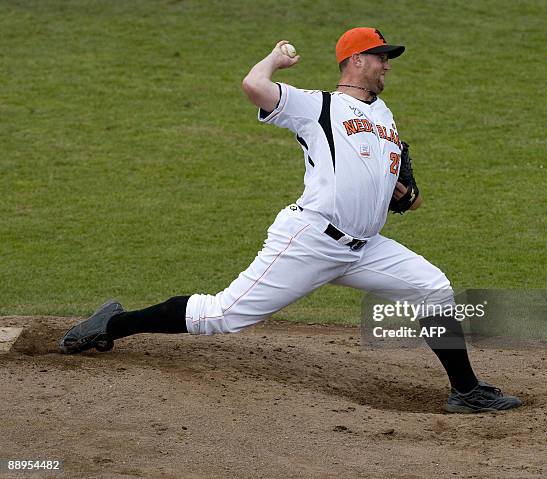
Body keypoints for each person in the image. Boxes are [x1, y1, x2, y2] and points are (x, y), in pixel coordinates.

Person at [59, 28, 522, 413]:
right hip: (310, 240)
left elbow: (408, 197)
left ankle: (466, 391)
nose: (387, 65)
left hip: (364, 247)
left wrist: (405, 192)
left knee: (433, 288)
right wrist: (275, 59)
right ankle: (112, 325)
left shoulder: (384, 117)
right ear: (356, 60)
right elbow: (253, 87)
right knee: (222, 314)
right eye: (382, 58)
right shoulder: (318, 106)